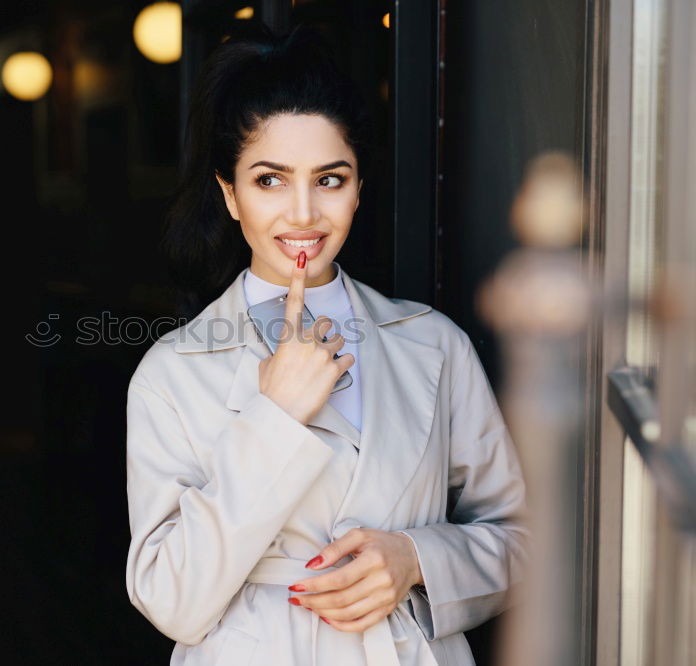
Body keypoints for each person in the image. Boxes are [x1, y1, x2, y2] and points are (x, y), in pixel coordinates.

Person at [124, 24, 528, 666]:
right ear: (229, 195)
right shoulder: (170, 373)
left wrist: (416, 560)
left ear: (360, 188)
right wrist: (274, 419)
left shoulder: (432, 343)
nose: (304, 213)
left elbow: (522, 539)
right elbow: (170, 599)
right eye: (270, 181)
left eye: (331, 179)